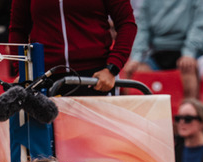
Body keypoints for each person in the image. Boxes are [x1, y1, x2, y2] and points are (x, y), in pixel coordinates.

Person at [9, 0, 137, 95]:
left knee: (94, 132)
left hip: (95, 77)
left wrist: (112, 68)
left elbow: (127, 23)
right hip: (44, 77)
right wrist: (21, 71)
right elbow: (18, 30)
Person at [122, 0, 203, 100]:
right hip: (157, 53)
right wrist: (136, 58)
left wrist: (188, 54)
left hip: (186, 51)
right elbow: (142, 28)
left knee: (188, 67)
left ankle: (189, 111)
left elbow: (199, 26)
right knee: (135, 71)